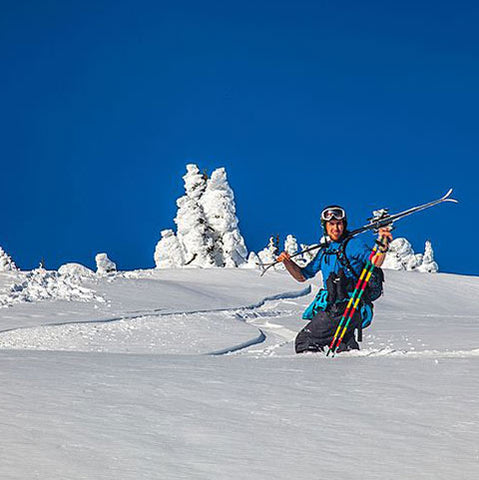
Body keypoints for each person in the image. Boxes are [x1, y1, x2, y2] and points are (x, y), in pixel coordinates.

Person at [277, 205, 393, 353]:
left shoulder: (353, 244)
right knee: (344, 350)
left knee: (305, 340)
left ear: (344, 225)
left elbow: (375, 261)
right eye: (331, 224)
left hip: (347, 307)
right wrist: (287, 262)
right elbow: (302, 276)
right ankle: (342, 373)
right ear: (325, 227)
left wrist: (383, 239)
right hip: (338, 308)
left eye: (339, 223)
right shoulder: (325, 251)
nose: (336, 228)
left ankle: (310, 374)